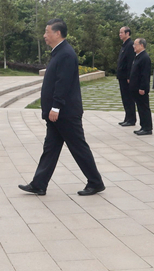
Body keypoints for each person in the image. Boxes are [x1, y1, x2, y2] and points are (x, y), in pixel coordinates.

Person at [19, 18, 105, 196]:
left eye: (47, 32)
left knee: (78, 147)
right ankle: (39, 184)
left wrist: (56, 107)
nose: (44, 35)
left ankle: (95, 182)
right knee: (50, 148)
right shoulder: (59, 52)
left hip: (64, 113)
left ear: (57, 33)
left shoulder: (65, 53)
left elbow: (63, 83)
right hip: (57, 113)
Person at [129, 38, 152, 135]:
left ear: (141, 45)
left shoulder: (145, 57)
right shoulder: (137, 56)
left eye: (135, 44)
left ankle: (147, 128)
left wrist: (142, 87)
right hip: (135, 87)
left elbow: (145, 74)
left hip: (141, 88)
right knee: (140, 107)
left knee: (144, 107)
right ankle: (143, 126)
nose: (133, 46)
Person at [116, 26, 136, 126]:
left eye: (122, 32)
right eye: (119, 33)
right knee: (124, 98)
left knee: (129, 98)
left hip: (126, 77)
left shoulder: (130, 45)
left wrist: (129, 76)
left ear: (127, 33)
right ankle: (127, 117)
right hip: (121, 76)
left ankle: (131, 119)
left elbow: (130, 62)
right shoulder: (124, 45)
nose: (120, 34)